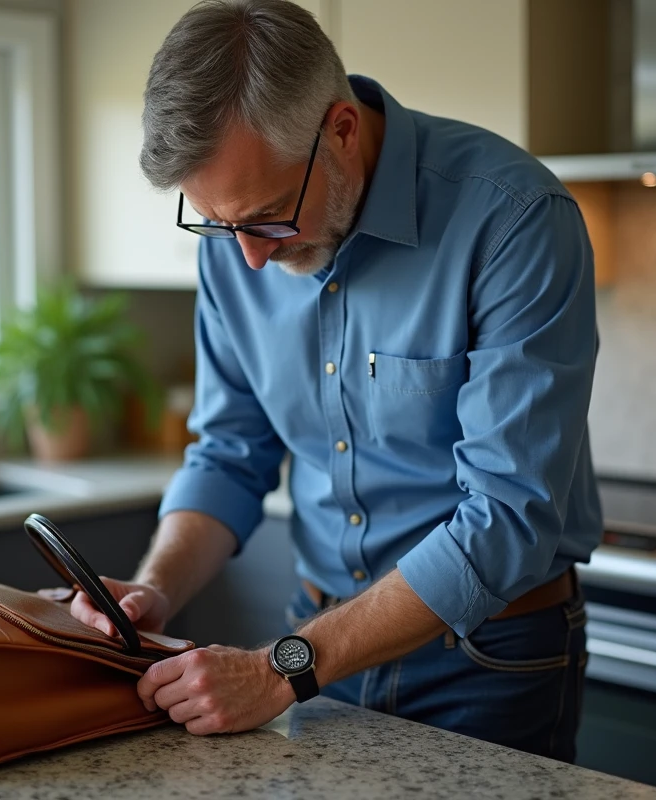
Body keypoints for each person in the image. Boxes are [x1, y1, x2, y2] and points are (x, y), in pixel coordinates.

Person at [68, 0, 603, 762]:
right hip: (313, 639)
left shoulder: (513, 219)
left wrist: (281, 669)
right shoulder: (235, 238)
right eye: (218, 226)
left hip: (489, 659)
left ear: (342, 131)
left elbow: (507, 519)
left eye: (265, 220)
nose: (247, 258)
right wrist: (155, 588)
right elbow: (228, 454)